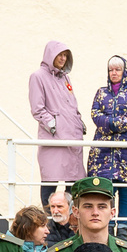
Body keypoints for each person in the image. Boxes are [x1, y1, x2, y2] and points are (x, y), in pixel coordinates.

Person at [89, 57, 127, 237]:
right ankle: (107, 228)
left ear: (125, 72)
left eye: (118, 70)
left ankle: (122, 231)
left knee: (126, 190)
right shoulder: (101, 92)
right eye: (111, 70)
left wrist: (112, 124)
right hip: (104, 152)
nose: (114, 73)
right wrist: (113, 123)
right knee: (106, 190)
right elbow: (95, 114)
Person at [30, 40, 86, 192]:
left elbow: (72, 103)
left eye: (65, 55)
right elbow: (37, 109)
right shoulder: (38, 76)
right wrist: (53, 125)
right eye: (59, 55)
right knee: (50, 182)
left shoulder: (65, 78)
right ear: (50, 55)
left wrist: (79, 122)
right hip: (53, 138)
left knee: (74, 185)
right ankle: (48, 217)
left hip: (73, 137)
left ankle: (69, 216)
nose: (63, 58)